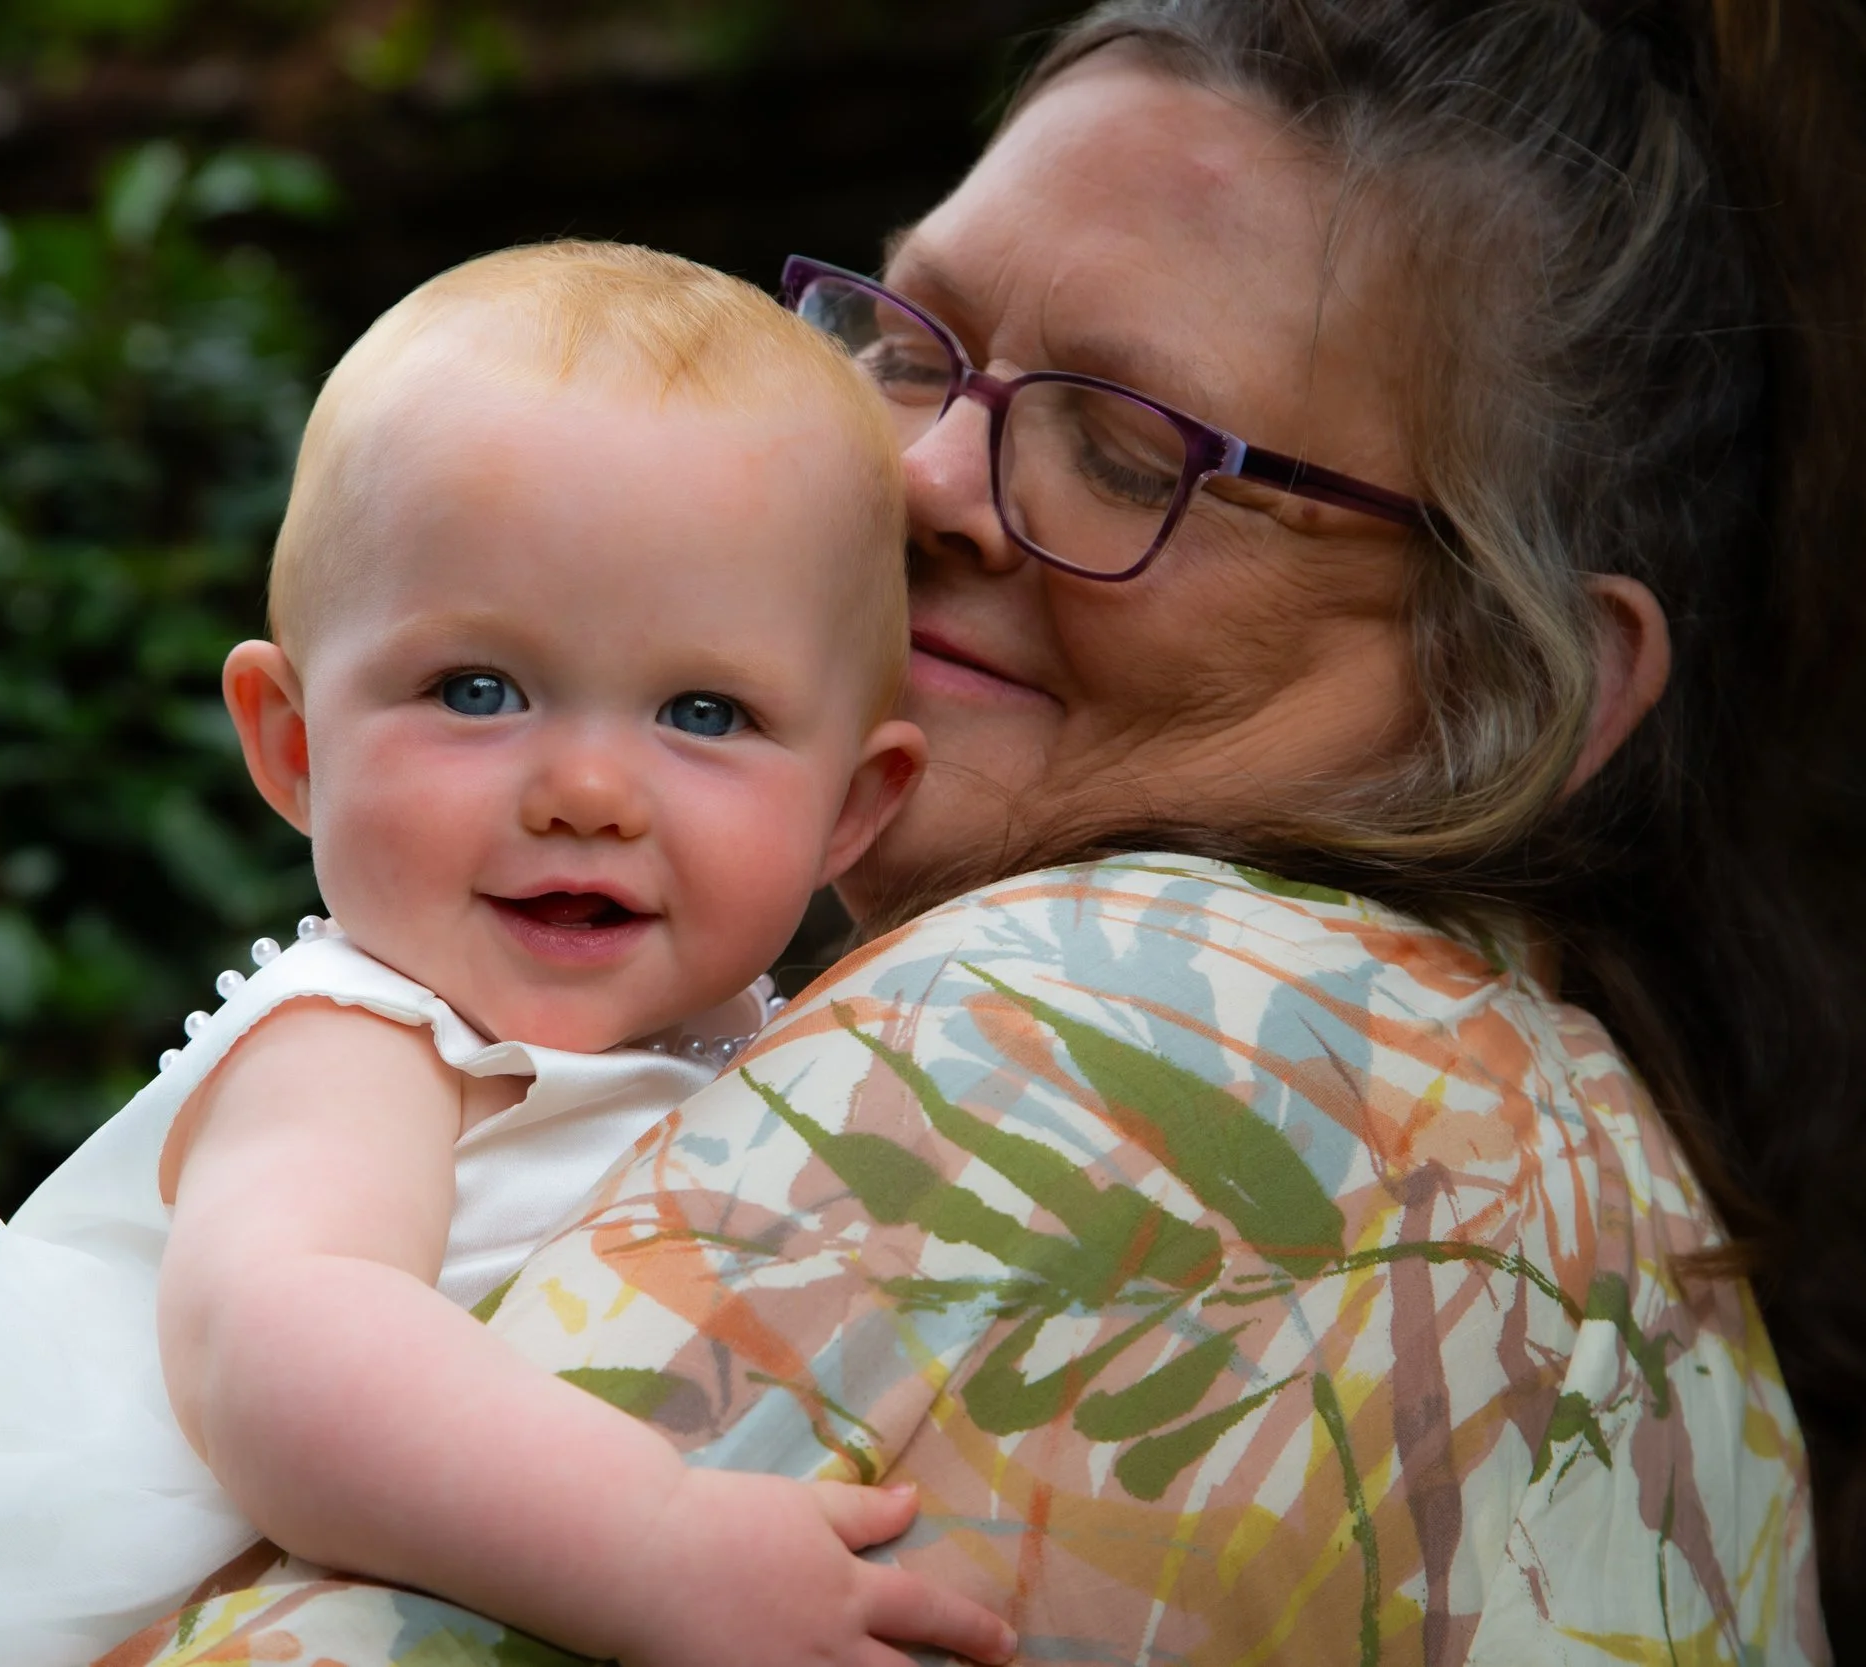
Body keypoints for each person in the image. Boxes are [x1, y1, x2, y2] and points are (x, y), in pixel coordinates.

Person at [102, 1, 1866, 1662]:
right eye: (909, 342)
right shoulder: (1600, 1193)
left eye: (1125, 445)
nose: (926, 480)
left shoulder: (1127, 1027)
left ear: (1515, 666)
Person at [0, 242, 1018, 1667]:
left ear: (851, 810)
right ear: (293, 744)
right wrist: (660, 1548)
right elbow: (288, 1354)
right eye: (478, 690)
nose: (588, 792)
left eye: (703, 714)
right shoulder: (364, 1040)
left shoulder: (783, 1030)